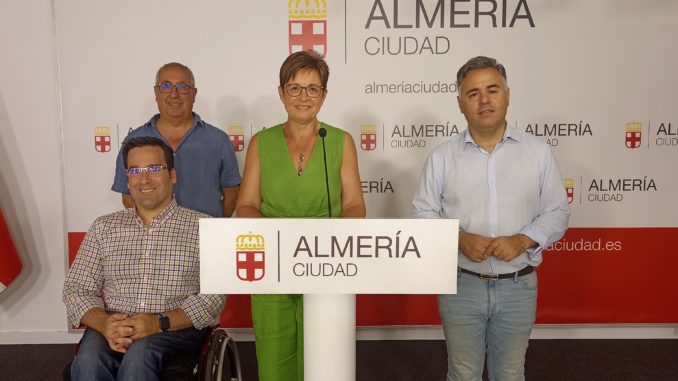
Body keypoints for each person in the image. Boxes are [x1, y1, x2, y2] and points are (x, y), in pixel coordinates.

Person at [412, 56, 570, 381]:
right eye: (473, 93)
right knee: (462, 373)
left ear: (507, 95)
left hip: (518, 285)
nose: (484, 101)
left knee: (510, 375)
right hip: (460, 285)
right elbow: (421, 214)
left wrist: (522, 239)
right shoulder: (442, 157)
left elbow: (557, 211)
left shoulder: (537, 152)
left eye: (492, 90)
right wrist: (459, 238)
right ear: (460, 103)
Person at [235, 50, 366, 381]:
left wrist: (331, 239)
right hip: (272, 267)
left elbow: (354, 205)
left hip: (327, 265)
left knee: (325, 363)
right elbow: (246, 205)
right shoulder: (260, 143)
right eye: (294, 88)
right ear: (281, 93)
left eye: (313, 88)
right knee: (274, 362)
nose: (303, 97)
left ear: (324, 95)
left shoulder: (340, 141)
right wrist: (278, 240)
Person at [64, 136, 225, 380]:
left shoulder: (204, 228)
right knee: (87, 359)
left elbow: (213, 297)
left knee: (140, 354)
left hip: (175, 328)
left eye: (153, 169)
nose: (144, 178)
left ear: (172, 175)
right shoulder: (104, 228)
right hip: (113, 322)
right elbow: (76, 288)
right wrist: (105, 323)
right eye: (135, 170)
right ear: (127, 179)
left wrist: (157, 323)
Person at [111, 62, 240, 217]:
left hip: (205, 237)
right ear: (156, 92)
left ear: (194, 93)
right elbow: (127, 195)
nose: (174, 94)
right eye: (165, 86)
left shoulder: (218, 140)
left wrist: (210, 228)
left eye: (182, 86)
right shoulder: (133, 140)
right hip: (154, 238)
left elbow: (232, 194)